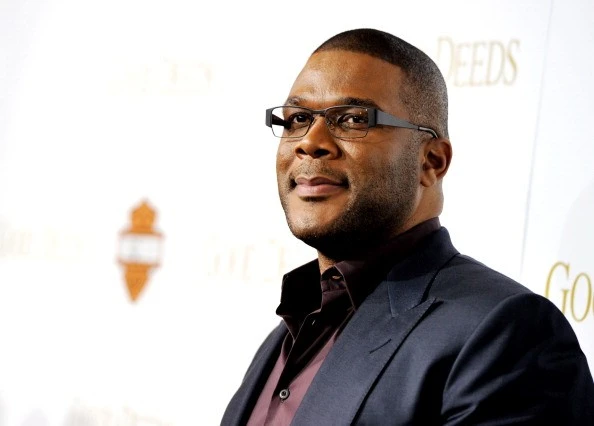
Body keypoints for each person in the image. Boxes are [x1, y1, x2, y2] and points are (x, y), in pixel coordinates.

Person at [221, 28, 594, 425]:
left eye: (353, 119)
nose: (310, 142)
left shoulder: (507, 333)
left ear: (431, 161)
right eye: (298, 118)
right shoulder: (292, 328)